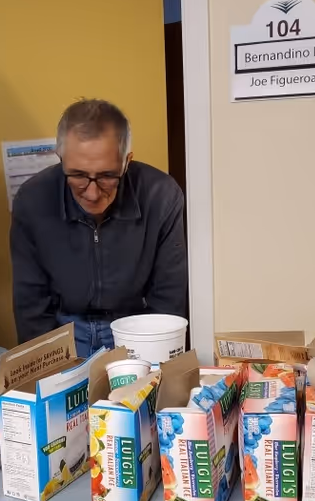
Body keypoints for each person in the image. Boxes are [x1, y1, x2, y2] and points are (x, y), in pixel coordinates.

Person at [10, 98, 187, 356]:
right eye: (78, 175)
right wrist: (45, 367)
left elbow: (168, 296)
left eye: (107, 176)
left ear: (127, 161)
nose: (92, 193)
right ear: (60, 159)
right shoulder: (32, 199)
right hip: (62, 329)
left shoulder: (161, 195)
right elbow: (30, 303)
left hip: (137, 327)